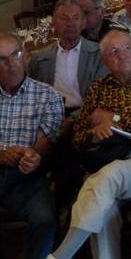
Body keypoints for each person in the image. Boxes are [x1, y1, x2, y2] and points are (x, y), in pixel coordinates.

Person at [51, 29, 131, 259]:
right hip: (105, 157)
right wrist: (95, 133)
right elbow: (78, 137)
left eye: (127, 47)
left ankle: (60, 256)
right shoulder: (98, 87)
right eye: (113, 51)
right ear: (105, 60)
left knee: (105, 179)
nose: (122, 54)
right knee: (103, 201)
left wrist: (114, 119)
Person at [0, 31, 64, 259]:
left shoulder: (48, 95)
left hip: (26, 177)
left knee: (44, 220)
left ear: (25, 54)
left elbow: (45, 141)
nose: (11, 63)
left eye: (15, 54)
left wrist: (31, 155)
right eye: (2, 59)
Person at [28, 0, 108, 113]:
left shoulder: (99, 54)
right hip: (50, 114)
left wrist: (72, 120)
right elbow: (32, 95)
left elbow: (101, 97)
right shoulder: (40, 58)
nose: (70, 23)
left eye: (76, 18)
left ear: (84, 23)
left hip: (87, 115)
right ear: (53, 22)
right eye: (64, 18)